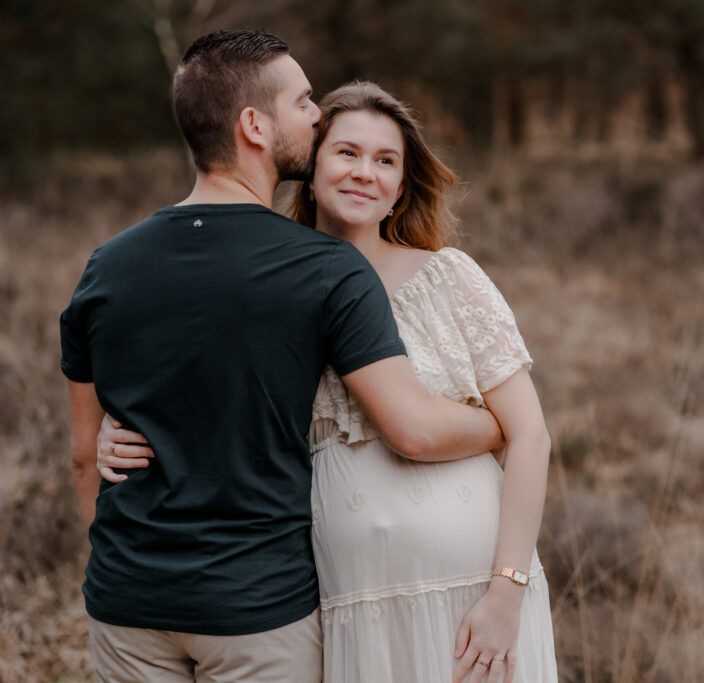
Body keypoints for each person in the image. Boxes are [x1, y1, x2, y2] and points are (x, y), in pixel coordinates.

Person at [62, 30, 507, 683]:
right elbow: (411, 427)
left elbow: (82, 455)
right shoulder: (323, 268)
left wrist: (119, 564)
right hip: (257, 611)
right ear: (254, 125)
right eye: (303, 102)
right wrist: (503, 424)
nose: (316, 115)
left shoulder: (106, 266)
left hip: (126, 605)